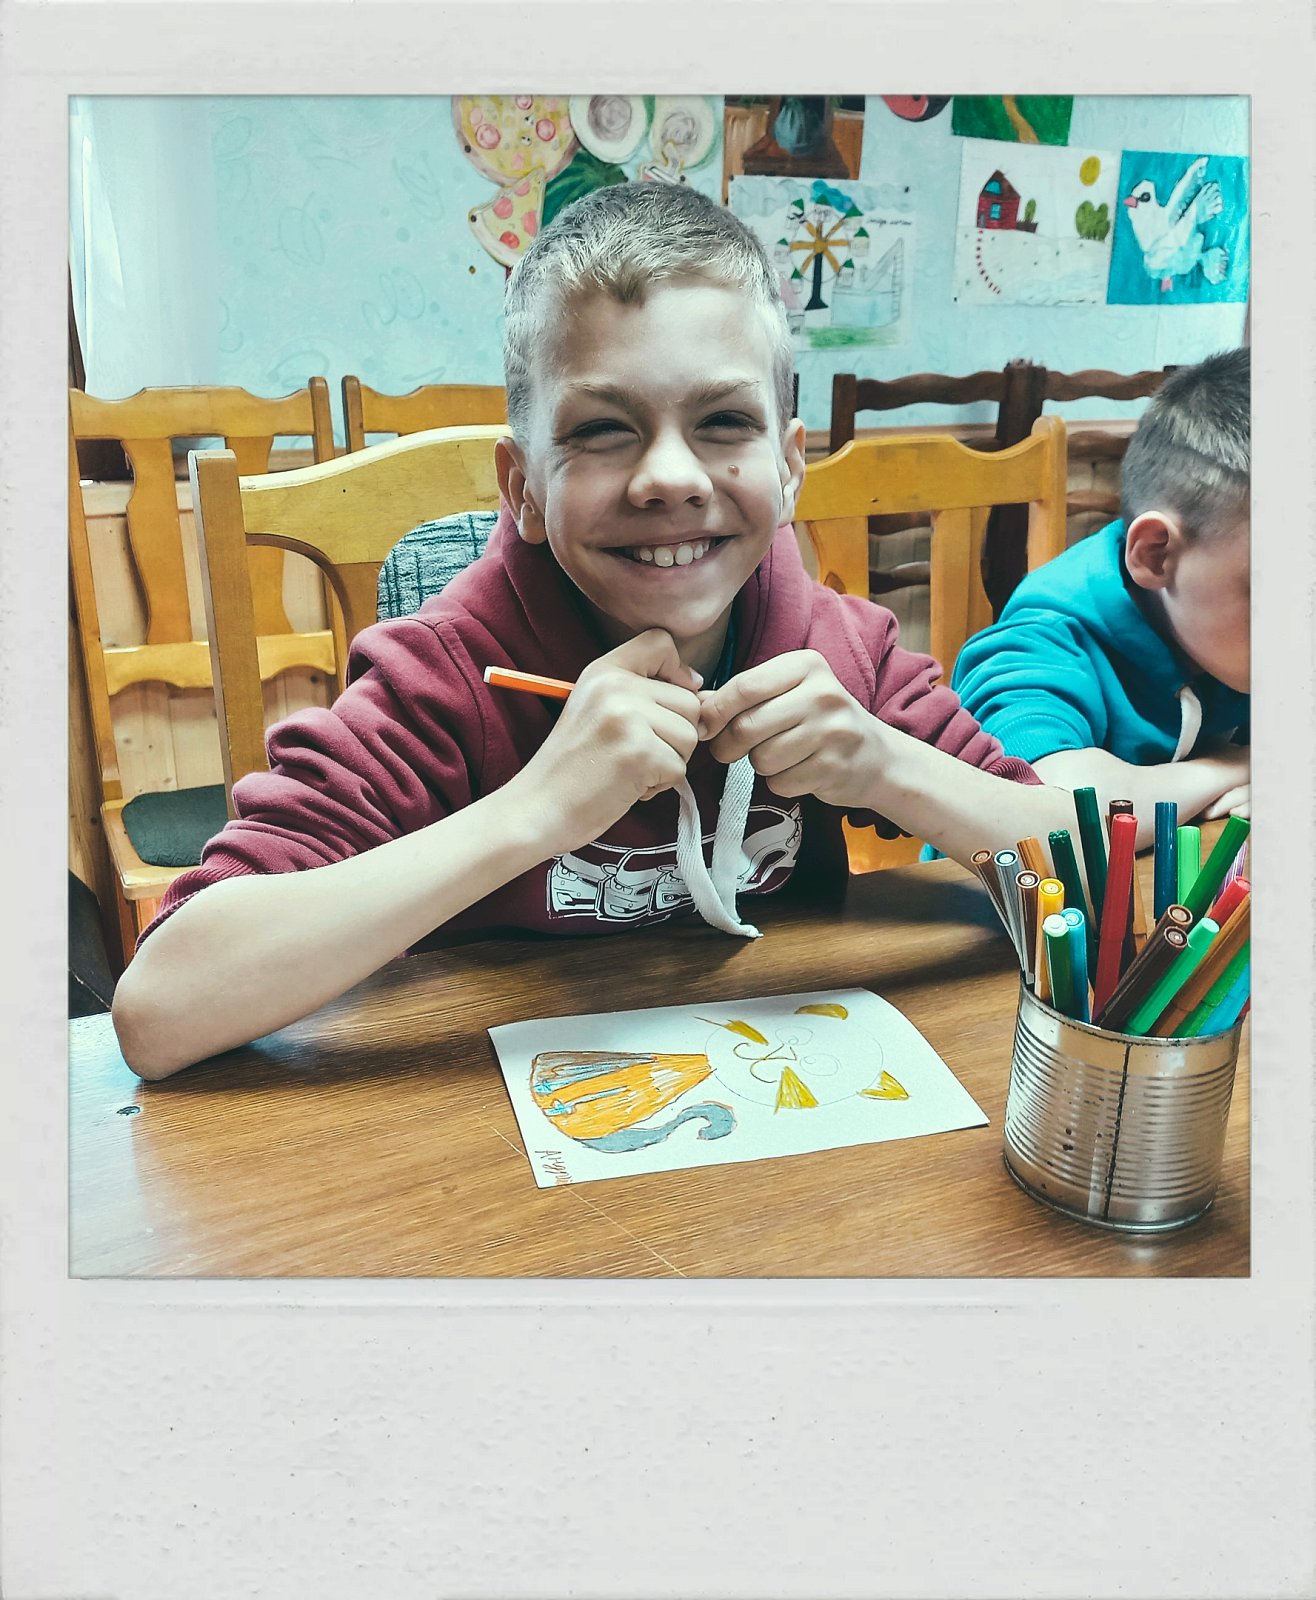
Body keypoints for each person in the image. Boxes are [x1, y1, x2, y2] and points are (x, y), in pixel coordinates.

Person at [113, 181, 1079, 1081]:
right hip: (497, 1142)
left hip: (777, 1100)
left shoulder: (840, 649)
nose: (670, 478)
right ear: (523, 487)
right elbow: (161, 1009)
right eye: (601, 431)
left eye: (724, 420)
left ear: (789, 469)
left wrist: (882, 765)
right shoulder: (444, 678)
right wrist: (533, 812)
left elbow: (1083, 870)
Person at [951, 348, 1250, 824]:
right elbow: (1048, 811)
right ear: (1156, 554)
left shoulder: (1222, 631)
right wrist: (1248, 765)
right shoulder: (1041, 642)